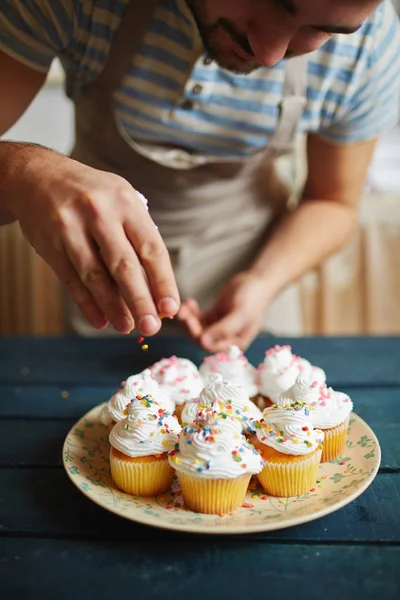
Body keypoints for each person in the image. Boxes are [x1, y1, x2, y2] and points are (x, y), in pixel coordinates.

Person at [0, 0, 399, 352]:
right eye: (276, 3)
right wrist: (25, 174)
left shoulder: (369, 49)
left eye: (323, 30)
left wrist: (261, 283)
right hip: (102, 282)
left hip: (256, 271)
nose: (269, 54)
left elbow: (333, 201)